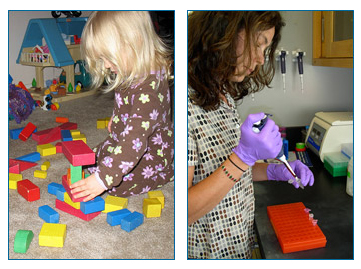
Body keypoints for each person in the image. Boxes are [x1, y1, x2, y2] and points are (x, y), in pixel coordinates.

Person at [188, 11, 314, 259]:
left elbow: (226, 169)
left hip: (237, 245)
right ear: (222, 31)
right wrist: (244, 156)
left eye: (264, 50)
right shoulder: (184, 102)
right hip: (206, 253)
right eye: (258, 44)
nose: (259, 59)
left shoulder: (221, 90)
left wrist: (275, 170)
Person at [70, 11, 174, 202]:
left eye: (109, 57)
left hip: (151, 152)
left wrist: (101, 181)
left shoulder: (148, 92)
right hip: (126, 137)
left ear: (136, 41)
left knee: (116, 185)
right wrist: (117, 118)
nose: (107, 65)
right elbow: (129, 105)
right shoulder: (133, 68)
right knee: (93, 158)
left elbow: (134, 141)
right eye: (103, 59)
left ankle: (167, 171)